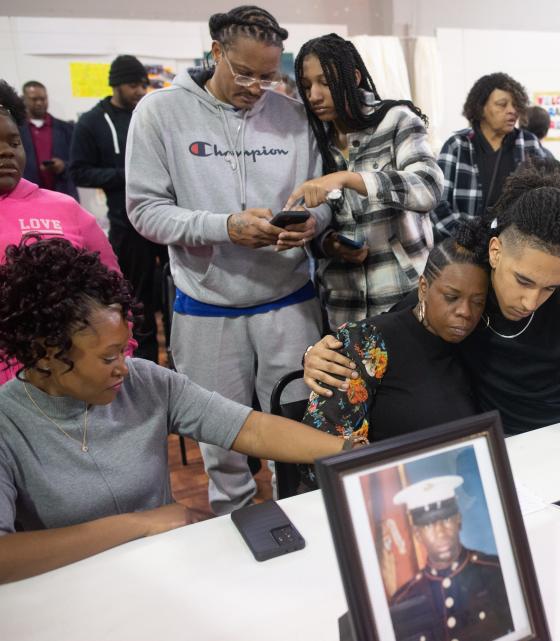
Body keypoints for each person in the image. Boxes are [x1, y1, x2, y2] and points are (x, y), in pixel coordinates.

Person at [305, 165, 560, 484]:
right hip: (503, 444)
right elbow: (383, 332)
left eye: (549, 287)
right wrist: (321, 353)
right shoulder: (463, 294)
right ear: (495, 251)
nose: (531, 302)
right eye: (523, 281)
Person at [0, 238, 354, 584]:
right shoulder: (7, 421)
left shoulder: (145, 383)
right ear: (44, 353)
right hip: (66, 594)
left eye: (124, 350)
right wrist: (140, 524)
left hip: (164, 574)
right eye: (108, 357)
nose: (124, 367)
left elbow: (251, 429)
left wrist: (351, 453)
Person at [125, 6, 327, 515]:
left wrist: (313, 223)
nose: (258, 87)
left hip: (289, 303)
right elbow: (146, 212)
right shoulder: (159, 113)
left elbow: (321, 199)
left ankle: (306, 534)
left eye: (269, 75)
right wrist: (225, 227)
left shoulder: (294, 118)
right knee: (224, 451)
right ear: (215, 52)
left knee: (298, 434)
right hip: (206, 308)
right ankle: (234, 534)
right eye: (245, 73)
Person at [296, 226, 488, 488]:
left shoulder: (478, 342)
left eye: (478, 301)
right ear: (423, 287)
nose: (465, 312)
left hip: (458, 487)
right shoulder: (369, 342)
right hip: (383, 495)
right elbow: (320, 453)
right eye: (451, 297)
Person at [286, 34, 443, 328]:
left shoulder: (396, 120)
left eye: (325, 82)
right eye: (306, 86)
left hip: (404, 299)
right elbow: (318, 221)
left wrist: (349, 178)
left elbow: (428, 188)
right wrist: (329, 243)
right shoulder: (314, 139)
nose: (314, 96)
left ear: (354, 77)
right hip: (343, 306)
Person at [0, 80, 122, 384]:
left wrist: (120, 350)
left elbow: (113, 290)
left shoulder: (63, 209)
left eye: (14, 143)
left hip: (68, 378)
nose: (6, 153)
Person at [70, 55, 167, 363]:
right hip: (126, 224)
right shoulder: (92, 122)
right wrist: (126, 175)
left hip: (164, 219)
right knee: (137, 298)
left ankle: (178, 359)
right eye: (132, 85)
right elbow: (79, 171)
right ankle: (146, 363)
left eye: (143, 84)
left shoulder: (152, 115)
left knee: (171, 291)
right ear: (116, 85)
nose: (140, 90)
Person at [388, 475, 513, 641]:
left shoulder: (498, 573)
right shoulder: (402, 601)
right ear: (417, 534)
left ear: (458, 520)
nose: (440, 532)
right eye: (429, 524)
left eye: (446, 519)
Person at [431, 72, 545, 240]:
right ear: (480, 108)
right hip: (462, 251)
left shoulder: (529, 144)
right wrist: (467, 239)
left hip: (514, 249)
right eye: (502, 104)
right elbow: (436, 203)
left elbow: (545, 195)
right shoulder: (457, 146)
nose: (512, 111)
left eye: (515, 105)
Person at [18, 81, 77, 200]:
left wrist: (63, 166)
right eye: (34, 99)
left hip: (63, 195)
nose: (39, 103)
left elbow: (79, 163)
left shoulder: (67, 129)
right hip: (28, 197)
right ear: (24, 100)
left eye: (43, 98)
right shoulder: (16, 130)